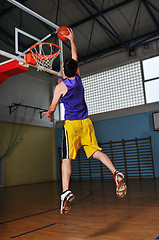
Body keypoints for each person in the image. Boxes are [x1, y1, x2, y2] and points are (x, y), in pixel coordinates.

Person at [44, 28, 127, 215]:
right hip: (86, 123)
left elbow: (52, 108)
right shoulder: (79, 79)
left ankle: (65, 192)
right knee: (96, 152)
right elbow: (75, 58)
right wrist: (72, 40)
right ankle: (115, 172)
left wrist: (49, 113)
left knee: (66, 159)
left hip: (72, 126)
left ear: (64, 70)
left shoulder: (60, 87)